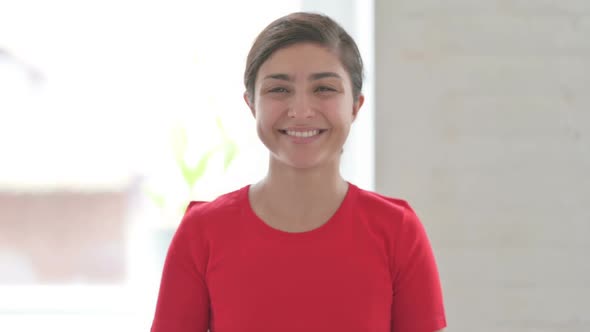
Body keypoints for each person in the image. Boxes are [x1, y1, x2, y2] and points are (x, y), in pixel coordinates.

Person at [151, 12, 446, 332]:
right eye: (279, 90)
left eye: (324, 89)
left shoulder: (398, 232)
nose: (302, 111)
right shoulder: (201, 233)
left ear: (355, 106)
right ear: (251, 104)